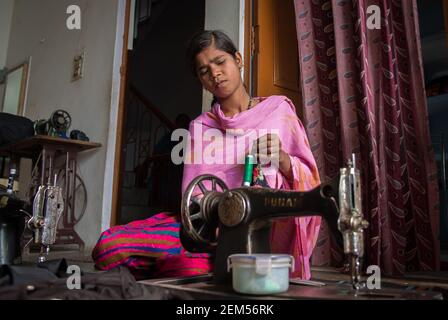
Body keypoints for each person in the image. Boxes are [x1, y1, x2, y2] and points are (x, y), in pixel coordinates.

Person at [92, 30, 321, 280]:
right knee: (109, 247)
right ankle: (193, 261)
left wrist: (286, 161)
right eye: (204, 71)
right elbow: (194, 200)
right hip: (207, 231)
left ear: (239, 59)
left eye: (220, 62)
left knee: (189, 269)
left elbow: (310, 183)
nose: (214, 73)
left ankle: (183, 264)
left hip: (260, 233)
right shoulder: (200, 127)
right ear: (201, 80)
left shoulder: (278, 111)